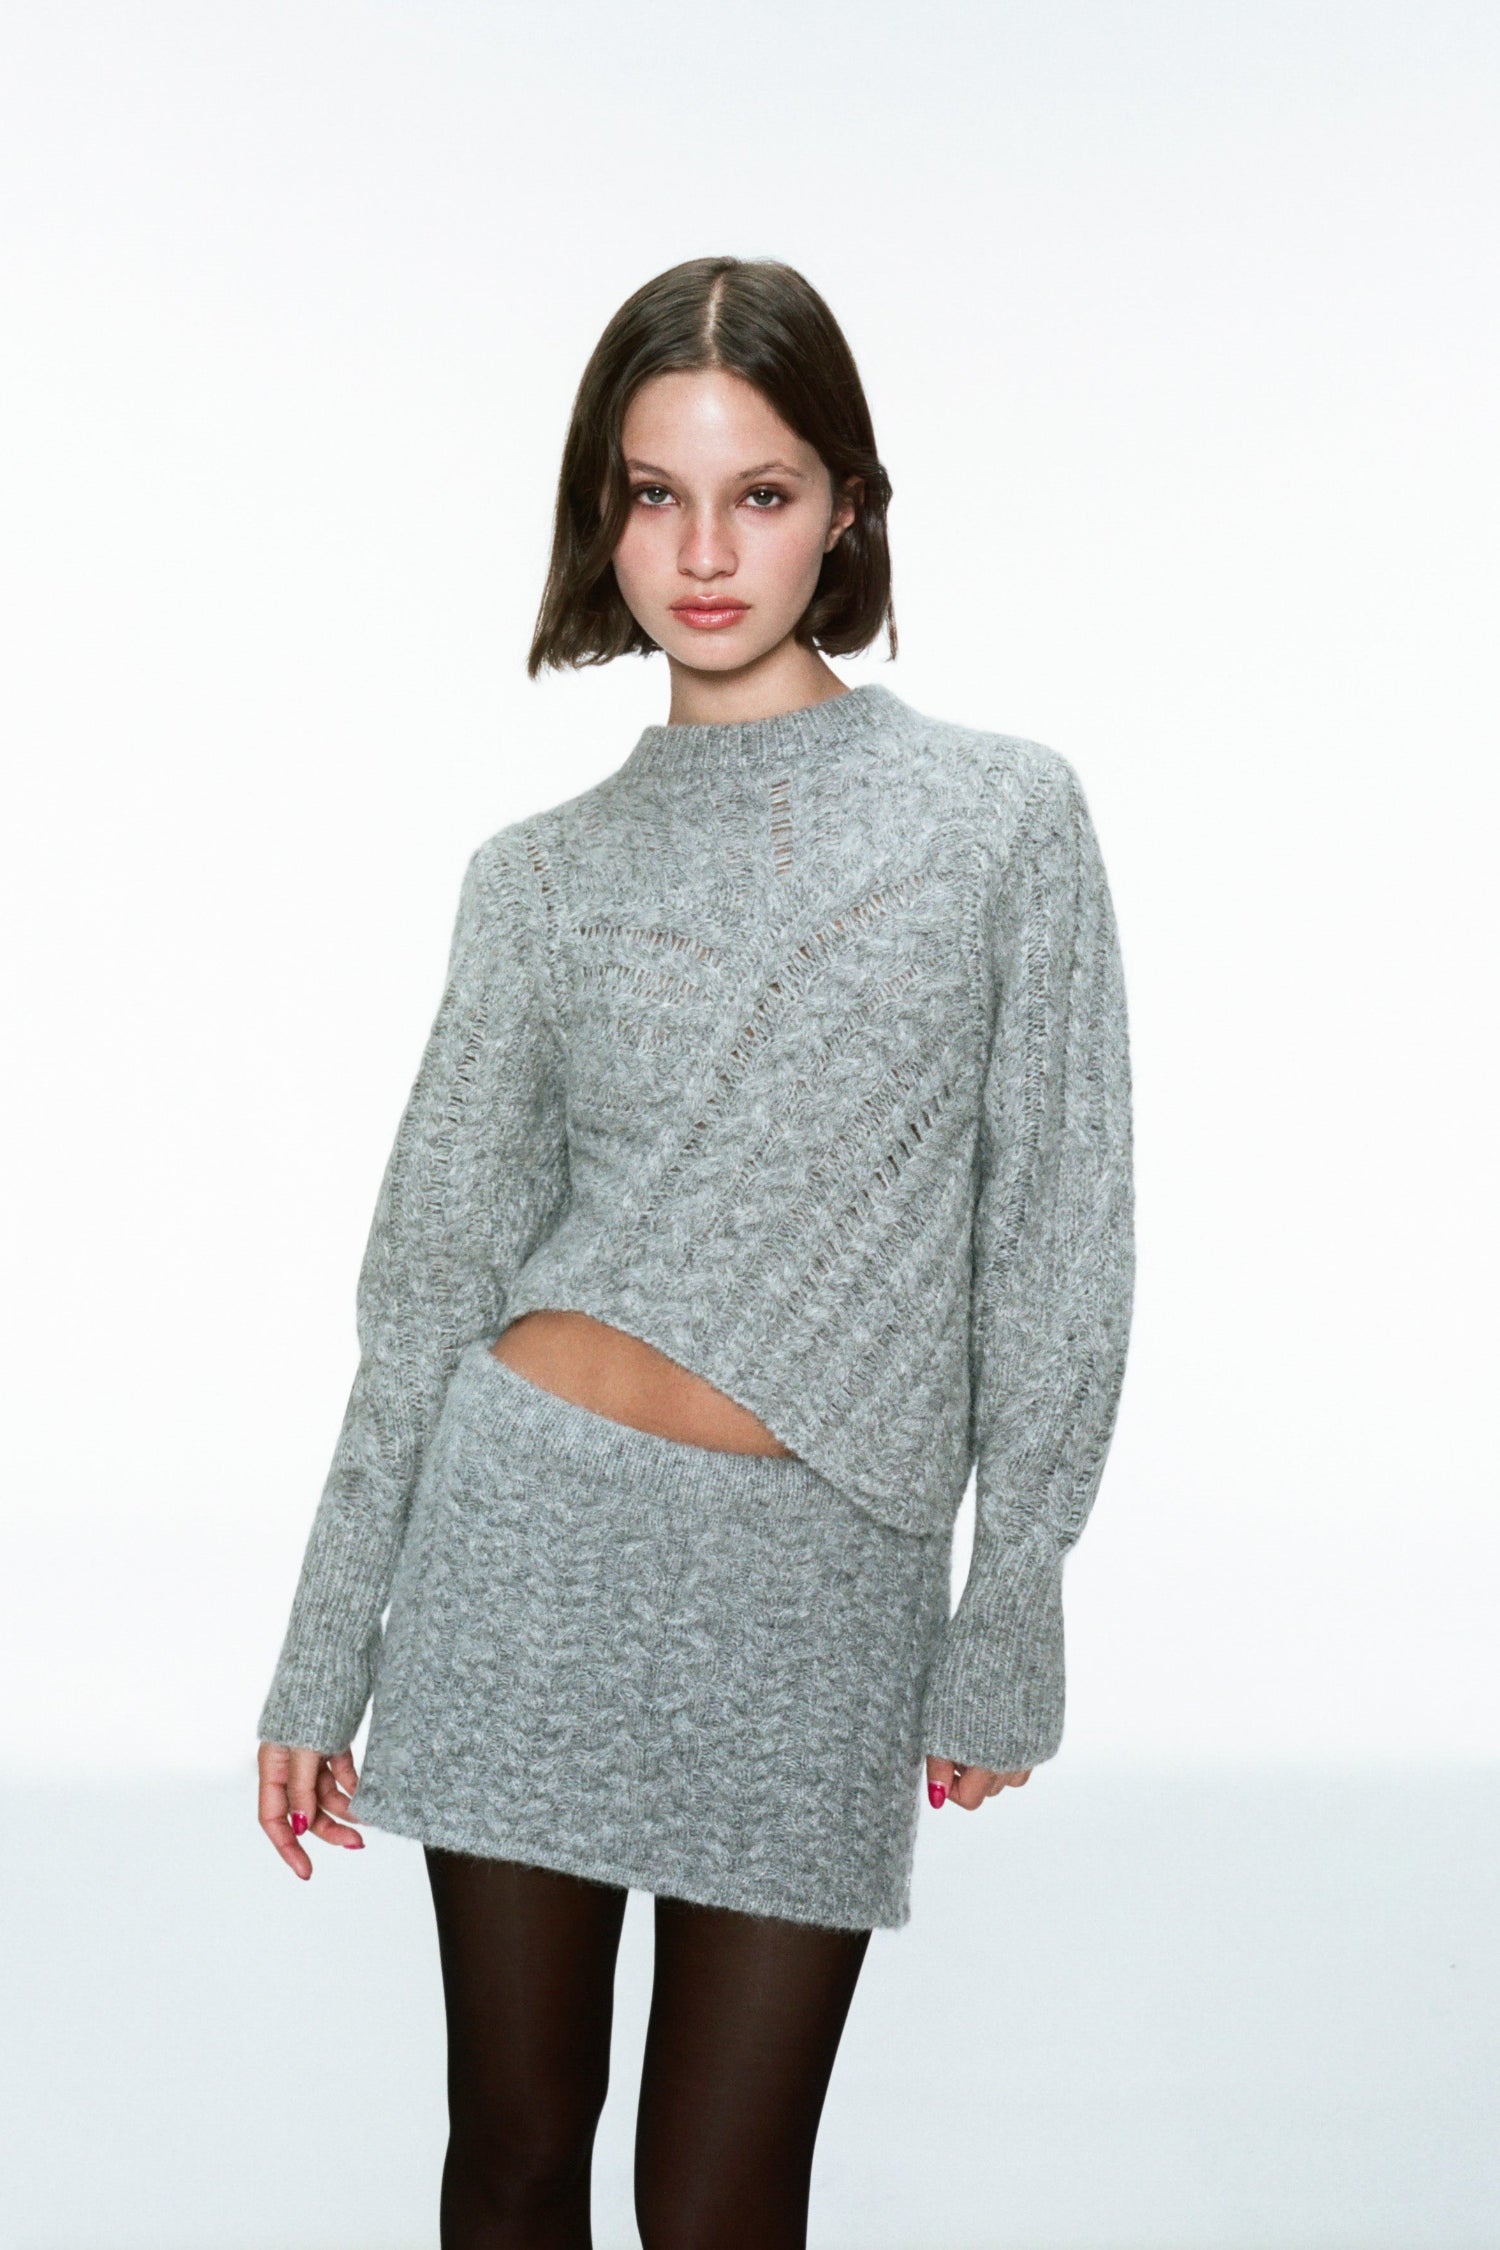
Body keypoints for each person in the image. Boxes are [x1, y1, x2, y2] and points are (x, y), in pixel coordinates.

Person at [254, 254, 1135, 2250]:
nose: (708, 551)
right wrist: (325, 1647)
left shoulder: (1001, 821)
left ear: (848, 510)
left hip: (822, 1580)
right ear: (604, 517)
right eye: (657, 494)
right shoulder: (537, 880)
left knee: (724, 2201)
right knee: (513, 2153)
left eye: (762, 493)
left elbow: (1060, 1235)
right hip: (521, 1551)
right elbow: (423, 1288)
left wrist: (1015, 1600)